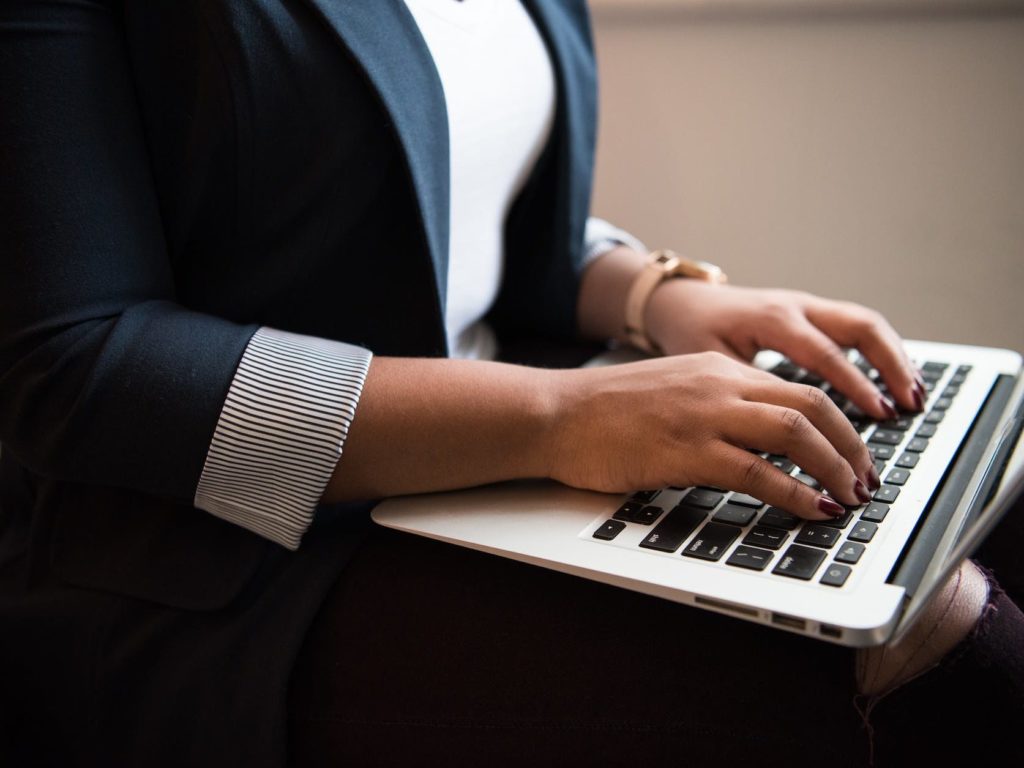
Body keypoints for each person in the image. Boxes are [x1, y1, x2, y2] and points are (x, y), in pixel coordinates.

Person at [0, 1, 1021, 766]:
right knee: (945, 640)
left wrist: (651, 296)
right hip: (217, 566)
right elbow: (77, 362)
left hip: (502, 470)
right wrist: (557, 417)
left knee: (981, 498)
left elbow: (453, 211)